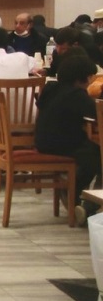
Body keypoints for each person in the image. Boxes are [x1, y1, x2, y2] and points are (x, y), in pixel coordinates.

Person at [34, 49, 100, 226]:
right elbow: (96, 117)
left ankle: (80, 199)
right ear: (83, 78)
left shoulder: (50, 87)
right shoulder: (78, 96)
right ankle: (86, 203)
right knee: (98, 155)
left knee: (94, 154)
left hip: (42, 140)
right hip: (63, 144)